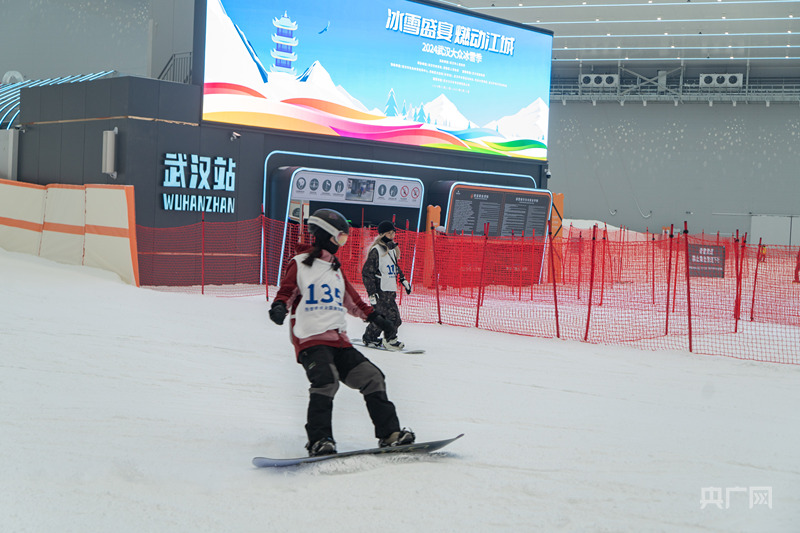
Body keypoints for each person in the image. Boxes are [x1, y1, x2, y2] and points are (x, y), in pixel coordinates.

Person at [268, 209, 414, 457]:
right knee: (326, 381)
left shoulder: (335, 269)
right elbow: (287, 291)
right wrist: (279, 307)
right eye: (340, 238)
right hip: (311, 339)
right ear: (326, 235)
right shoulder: (301, 264)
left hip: (339, 342)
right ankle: (319, 439)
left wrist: (377, 318)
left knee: (372, 377)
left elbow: (354, 302)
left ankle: (390, 434)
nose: (342, 244)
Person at [361, 220, 412, 350]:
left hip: (390, 289)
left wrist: (403, 280)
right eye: (389, 233)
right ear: (382, 234)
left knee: (383, 318)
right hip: (380, 290)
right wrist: (372, 292)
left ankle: (370, 337)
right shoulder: (376, 250)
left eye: (393, 233)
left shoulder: (392, 250)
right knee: (392, 318)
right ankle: (390, 340)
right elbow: (367, 273)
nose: (392, 236)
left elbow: (394, 267)